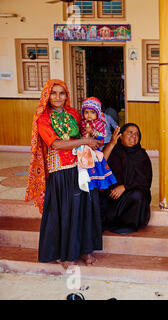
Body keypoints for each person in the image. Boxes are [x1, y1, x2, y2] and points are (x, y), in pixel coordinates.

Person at [25, 79, 103, 270]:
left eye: (62, 93)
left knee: (84, 207)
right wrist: (83, 140)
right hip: (60, 169)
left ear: (67, 95)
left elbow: (84, 133)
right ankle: (66, 254)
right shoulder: (43, 117)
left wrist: (91, 135)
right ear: (46, 95)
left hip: (80, 166)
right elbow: (56, 144)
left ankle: (84, 249)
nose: (58, 97)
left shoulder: (73, 113)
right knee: (67, 211)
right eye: (54, 93)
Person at [100, 123, 152, 234]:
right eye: (130, 132)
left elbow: (145, 180)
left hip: (131, 197)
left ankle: (128, 225)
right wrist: (112, 143)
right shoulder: (114, 150)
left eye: (136, 134)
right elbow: (100, 163)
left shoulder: (141, 155)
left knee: (139, 195)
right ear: (121, 136)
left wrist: (125, 187)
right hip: (112, 197)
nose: (134, 136)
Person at [77, 97, 117, 191]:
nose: (89, 115)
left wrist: (93, 132)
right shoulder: (82, 123)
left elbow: (103, 135)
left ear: (97, 113)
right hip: (83, 149)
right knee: (83, 169)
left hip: (95, 148)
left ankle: (97, 184)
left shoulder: (99, 123)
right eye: (86, 112)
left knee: (96, 167)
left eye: (92, 112)